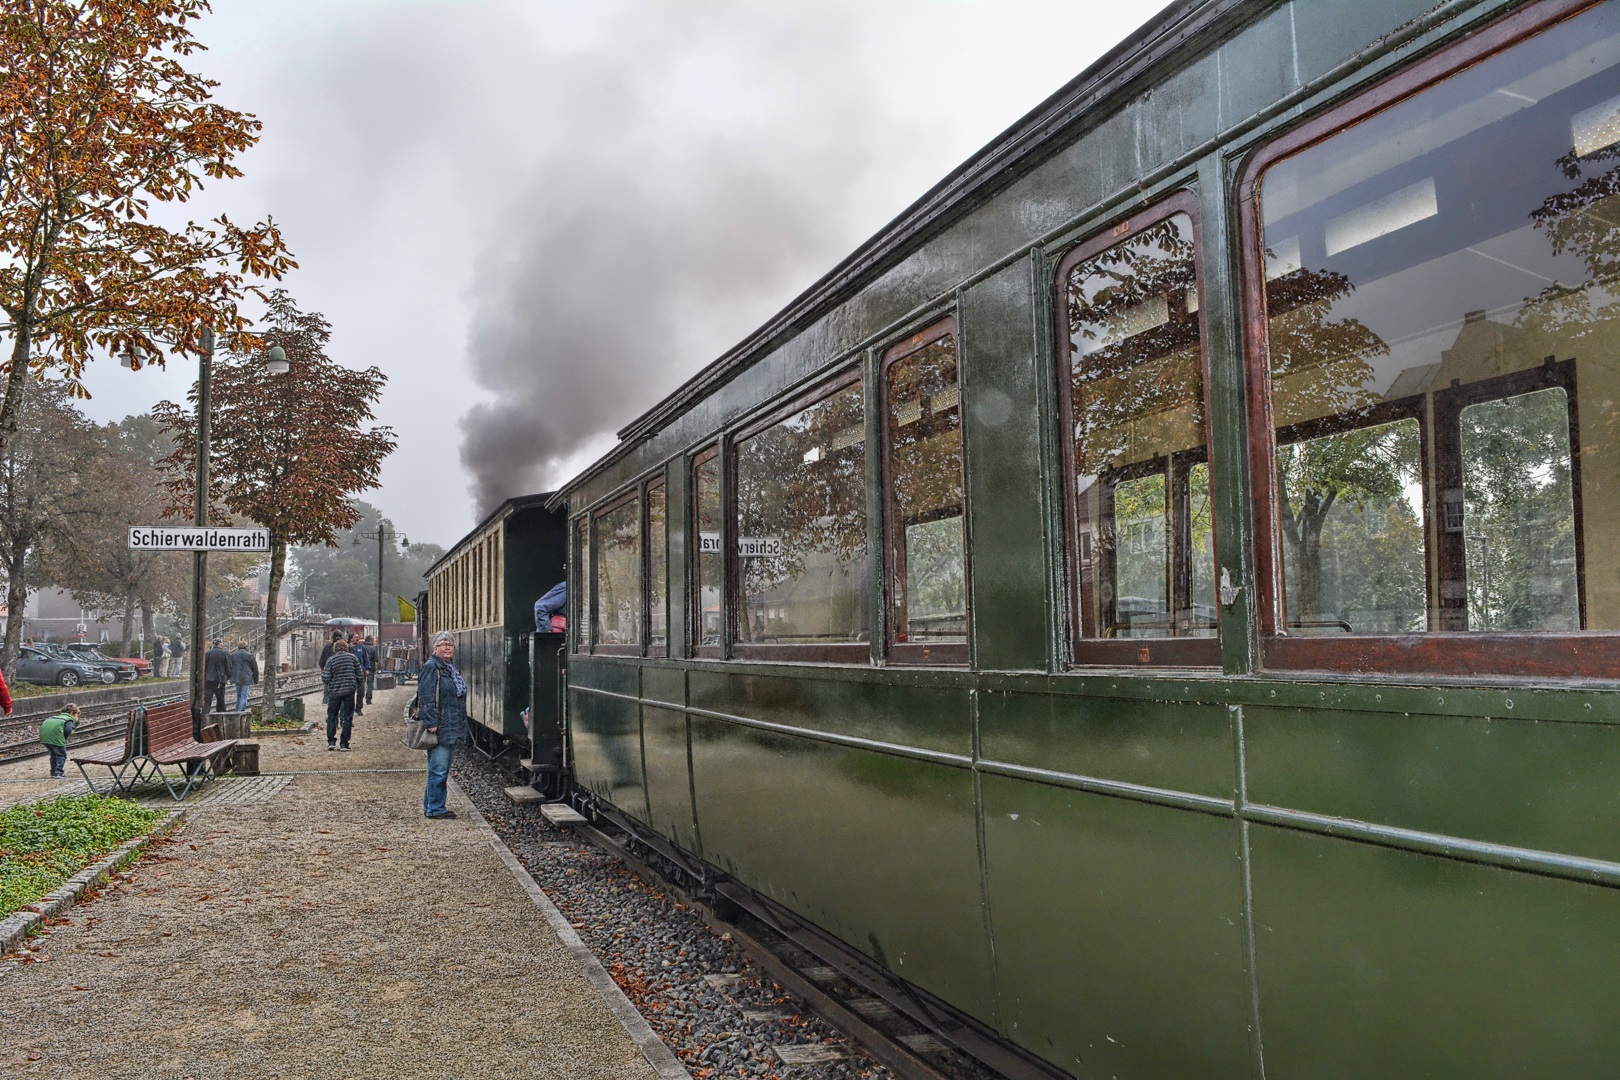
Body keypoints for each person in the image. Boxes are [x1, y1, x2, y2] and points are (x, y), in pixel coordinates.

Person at [417, 631, 467, 820]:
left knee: (439, 768)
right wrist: (431, 722)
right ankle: (436, 808)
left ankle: (431, 805)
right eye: (443, 644)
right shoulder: (432, 668)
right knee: (439, 769)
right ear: (435, 648)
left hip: (451, 724)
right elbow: (425, 697)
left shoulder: (448, 668)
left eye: (450, 645)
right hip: (440, 726)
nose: (447, 647)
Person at [322, 638, 360, 751]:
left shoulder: (331, 660)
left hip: (334, 692)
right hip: (349, 691)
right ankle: (344, 744)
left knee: (332, 716)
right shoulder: (353, 658)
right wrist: (355, 685)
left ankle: (331, 742)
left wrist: (330, 683)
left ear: (335, 649)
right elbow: (360, 675)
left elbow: (326, 677)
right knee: (347, 717)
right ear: (347, 648)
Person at [40, 703, 79, 778]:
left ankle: (53, 772)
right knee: (61, 755)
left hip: (45, 739)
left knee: (53, 755)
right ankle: (58, 773)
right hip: (56, 739)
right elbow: (68, 731)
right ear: (72, 713)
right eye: (77, 715)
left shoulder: (56, 717)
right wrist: (75, 724)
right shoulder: (68, 719)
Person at [229, 640, 259, 713]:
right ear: (246, 647)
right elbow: (255, 668)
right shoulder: (250, 655)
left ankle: (237, 710)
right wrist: (256, 680)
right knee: (244, 695)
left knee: (238, 695)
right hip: (247, 678)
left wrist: (230, 677)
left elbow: (230, 667)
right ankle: (241, 711)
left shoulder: (233, 655)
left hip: (237, 677)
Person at [203, 639, 230, 714]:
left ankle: (204, 717)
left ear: (213, 645)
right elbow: (228, 667)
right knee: (220, 700)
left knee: (207, 700)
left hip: (209, 680)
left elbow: (203, 667)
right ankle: (221, 716)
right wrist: (227, 678)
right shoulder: (224, 653)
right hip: (220, 681)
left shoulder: (207, 654)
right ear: (220, 645)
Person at [318, 630, 343, 704]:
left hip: (328, 670)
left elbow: (321, 660)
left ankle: (326, 699)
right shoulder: (345, 647)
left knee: (327, 685)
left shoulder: (327, 647)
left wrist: (322, 670)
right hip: (340, 671)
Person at [349, 632, 370, 716]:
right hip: (350, 673)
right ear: (351, 638)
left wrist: (367, 668)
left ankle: (359, 708)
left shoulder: (361, 648)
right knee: (350, 693)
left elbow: (366, 658)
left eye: (358, 637)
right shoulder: (348, 648)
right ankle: (351, 708)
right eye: (355, 637)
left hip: (360, 673)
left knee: (361, 691)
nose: (357, 639)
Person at [362, 634, 378, 706]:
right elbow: (376, 660)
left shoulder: (361, 647)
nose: (374, 641)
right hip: (371, 667)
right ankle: (368, 700)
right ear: (371, 640)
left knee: (361, 683)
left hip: (362, 667)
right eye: (373, 639)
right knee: (370, 684)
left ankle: (360, 699)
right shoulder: (373, 648)